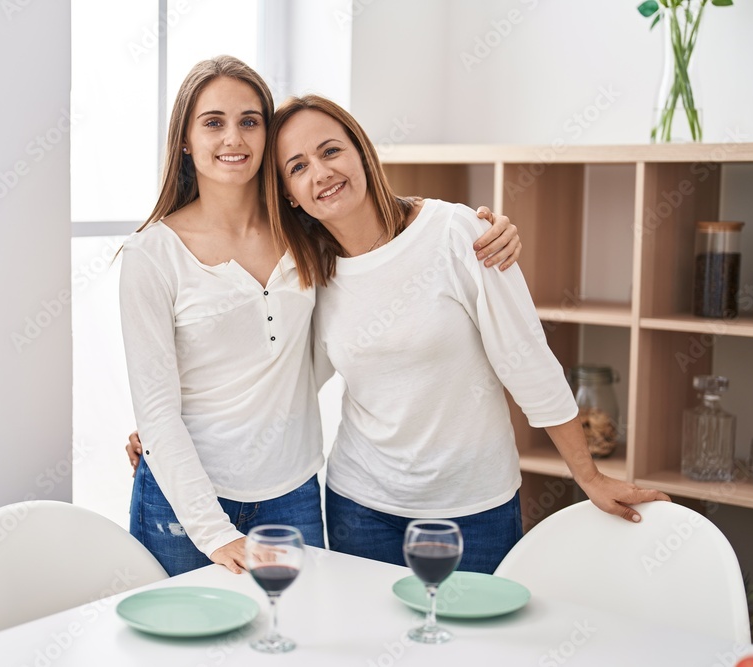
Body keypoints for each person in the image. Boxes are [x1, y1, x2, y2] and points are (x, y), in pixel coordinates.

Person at [118, 56, 522, 577]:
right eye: (213, 122)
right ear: (184, 142)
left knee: (290, 646)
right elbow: (157, 410)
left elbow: (388, 233)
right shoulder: (151, 255)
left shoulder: (307, 235)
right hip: (181, 504)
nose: (233, 138)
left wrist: (479, 226)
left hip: (293, 497)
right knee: (180, 653)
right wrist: (213, 530)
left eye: (249, 120)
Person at [263, 94, 671, 574]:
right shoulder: (305, 271)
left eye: (331, 151)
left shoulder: (457, 233)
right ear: (289, 193)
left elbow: (528, 361)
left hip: (473, 509)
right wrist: (167, 428)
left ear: (361, 151)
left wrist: (589, 475)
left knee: (470, 648)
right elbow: (281, 379)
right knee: (373, 645)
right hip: (360, 505)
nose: (321, 172)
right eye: (298, 166)